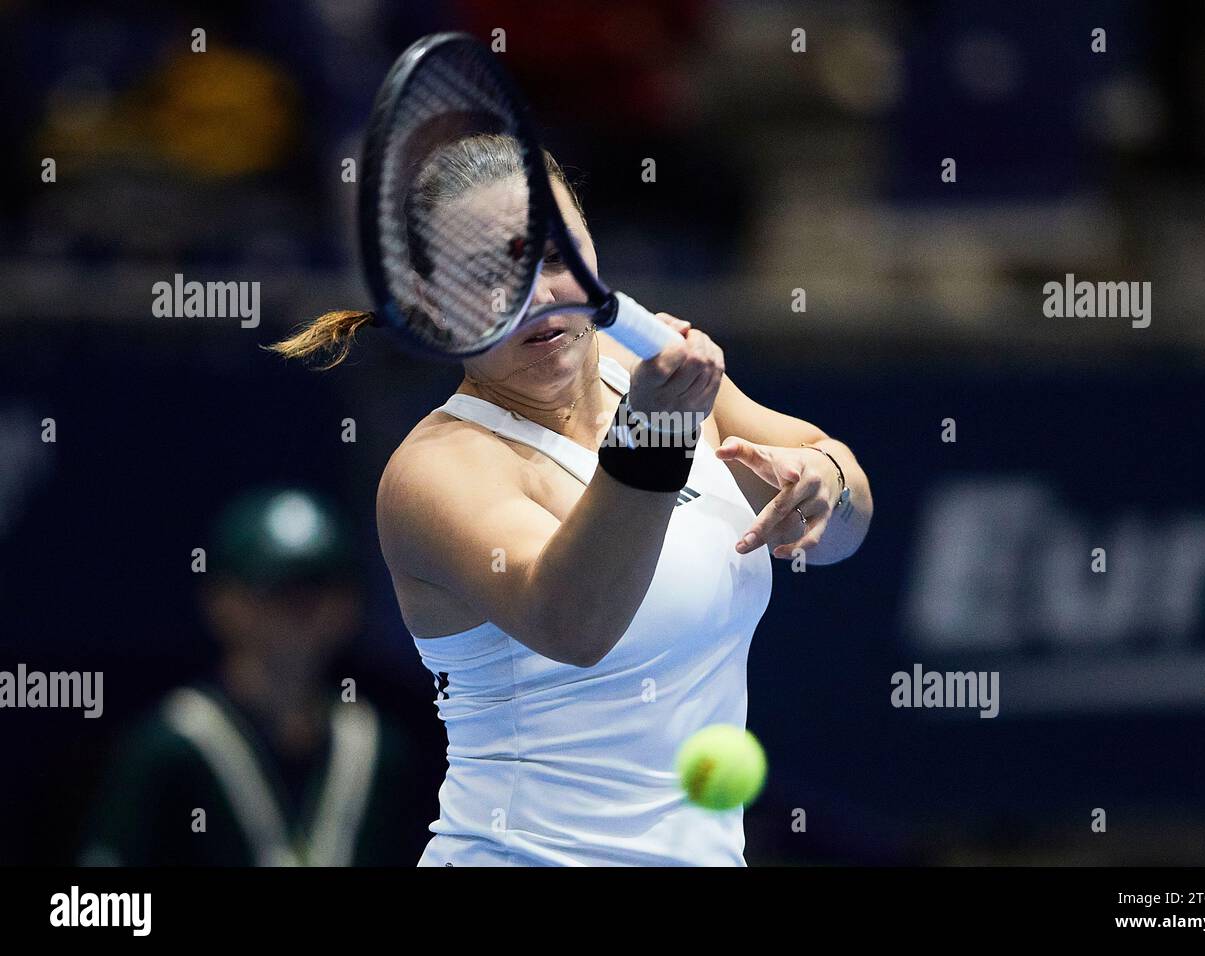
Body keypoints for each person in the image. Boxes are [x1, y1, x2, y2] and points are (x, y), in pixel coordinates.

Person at [272, 135, 873, 865]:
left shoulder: (646, 366)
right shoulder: (436, 471)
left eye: (556, 259)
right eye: (486, 278)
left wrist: (825, 481)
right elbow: (573, 624)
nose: (536, 297)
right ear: (428, 303)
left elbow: (843, 518)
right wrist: (655, 433)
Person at [81, 487, 422, 866]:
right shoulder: (169, 749)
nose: (302, 611)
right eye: (279, 591)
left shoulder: (380, 749)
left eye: (318, 589)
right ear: (222, 601)